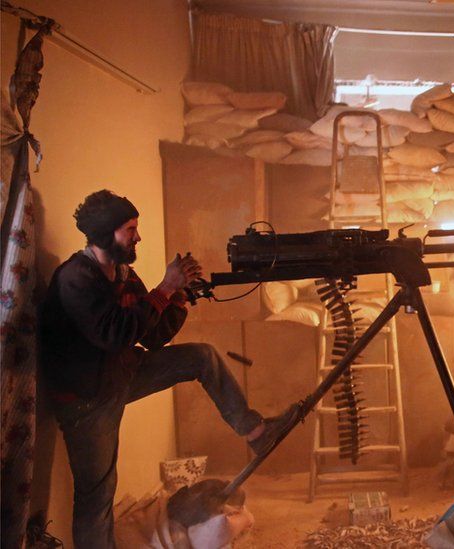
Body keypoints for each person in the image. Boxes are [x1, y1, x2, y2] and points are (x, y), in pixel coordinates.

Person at [39, 190, 299, 548]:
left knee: (201, 356)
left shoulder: (122, 275)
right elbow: (115, 334)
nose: (138, 237)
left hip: (119, 375)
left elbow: (155, 335)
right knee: (96, 498)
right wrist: (164, 288)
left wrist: (178, 295)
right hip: (87, 400)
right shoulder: (75, 278)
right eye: (130, 229)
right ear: (105, 234)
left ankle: (256, 432)